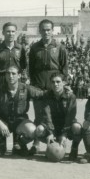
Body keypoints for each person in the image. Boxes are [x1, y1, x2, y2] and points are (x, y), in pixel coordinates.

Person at [0, 65, 43, 157]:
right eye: (8, 73)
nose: (10, 76)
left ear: (19, 75)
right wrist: (1, 124)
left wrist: (61, 91)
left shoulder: (26, 88)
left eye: (13, 73)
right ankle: (1, 144)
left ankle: (19, 143)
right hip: (4, 121)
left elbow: (42, 94)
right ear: (5, 76)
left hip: (20, 121)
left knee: (33, 130)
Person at [28, 19, 68, 155]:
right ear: (39, 31)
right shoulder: (34, 48)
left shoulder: (60, 47)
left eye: (48, 29)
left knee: (53, 116)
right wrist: (35, 86)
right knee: (39, 116)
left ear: (52, 30)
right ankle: (36, 143)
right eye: (43, 30)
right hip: (39, 88)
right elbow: (31, 70)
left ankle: (54, 143)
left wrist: (57, 86)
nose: (46, 32)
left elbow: (64, 70)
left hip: (54, 89)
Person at [35, 72, 82, 161]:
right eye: (53, 82)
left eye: (58, 82)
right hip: (52, 124)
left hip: (66, 124)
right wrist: (50, 132)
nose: (55, 84)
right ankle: (51, 145)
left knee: (77, 127)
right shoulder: (47, 95)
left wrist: (64, 133)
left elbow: (70, 116)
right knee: (39, 130)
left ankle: (74, 148)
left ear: (64, 83)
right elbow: (47, 115)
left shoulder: (70, 96)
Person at [0, 22, 27, 89]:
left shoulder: (21, 48)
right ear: (3, 32)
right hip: (1, 81)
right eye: (8, 31)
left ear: (15, 33)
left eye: (13, 31)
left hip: (16, 81)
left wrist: (20, 77)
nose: (11, 34)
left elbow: (24, 66)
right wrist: (0, 77)